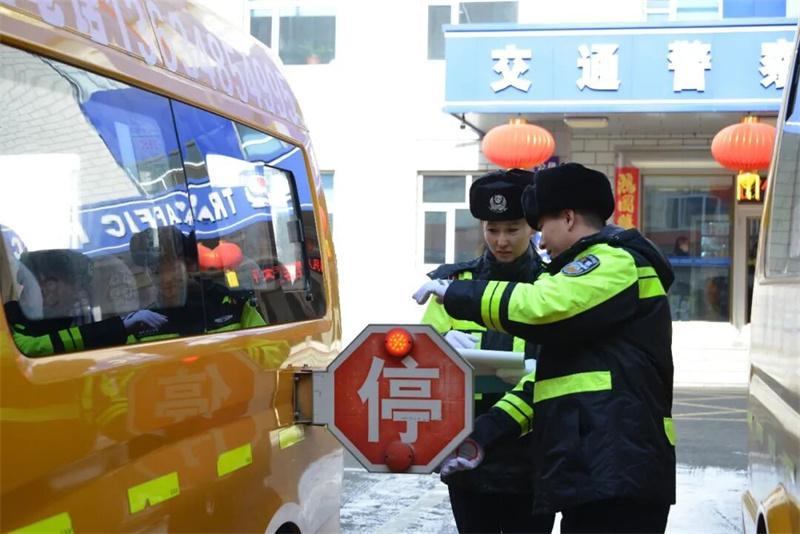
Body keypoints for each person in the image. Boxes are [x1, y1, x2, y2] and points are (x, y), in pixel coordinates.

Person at [414, 162, 676, 533]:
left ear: (567, 218)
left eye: (537, 226)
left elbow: (540, 306)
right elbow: (545, 380)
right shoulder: (584, 281)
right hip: (593, 467)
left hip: (612, 466)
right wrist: (479, 435)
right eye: (493, 229)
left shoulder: (609, 263)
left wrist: (459, 295)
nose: (540, 241)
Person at [418, 168, 554, 534]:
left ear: (532, 227)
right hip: (467, 452)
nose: (501, 241)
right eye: (492, 230)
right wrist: (439, 347)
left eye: (512, 229)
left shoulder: (554, 285)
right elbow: (419, 366)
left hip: (533, 453)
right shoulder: (453, 285)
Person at [3, 248, 164, 357]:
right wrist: (120, 327)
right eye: (74, 282)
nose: (79, 291)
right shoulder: (9, 321)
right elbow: (29, 347)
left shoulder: (71, 319)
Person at [128, 226, 267, 341]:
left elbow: (269, 351)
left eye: (172, 267)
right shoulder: (140, 326)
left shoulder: (231, 304)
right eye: (156, 271)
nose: (166, 278)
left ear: (188, 266)